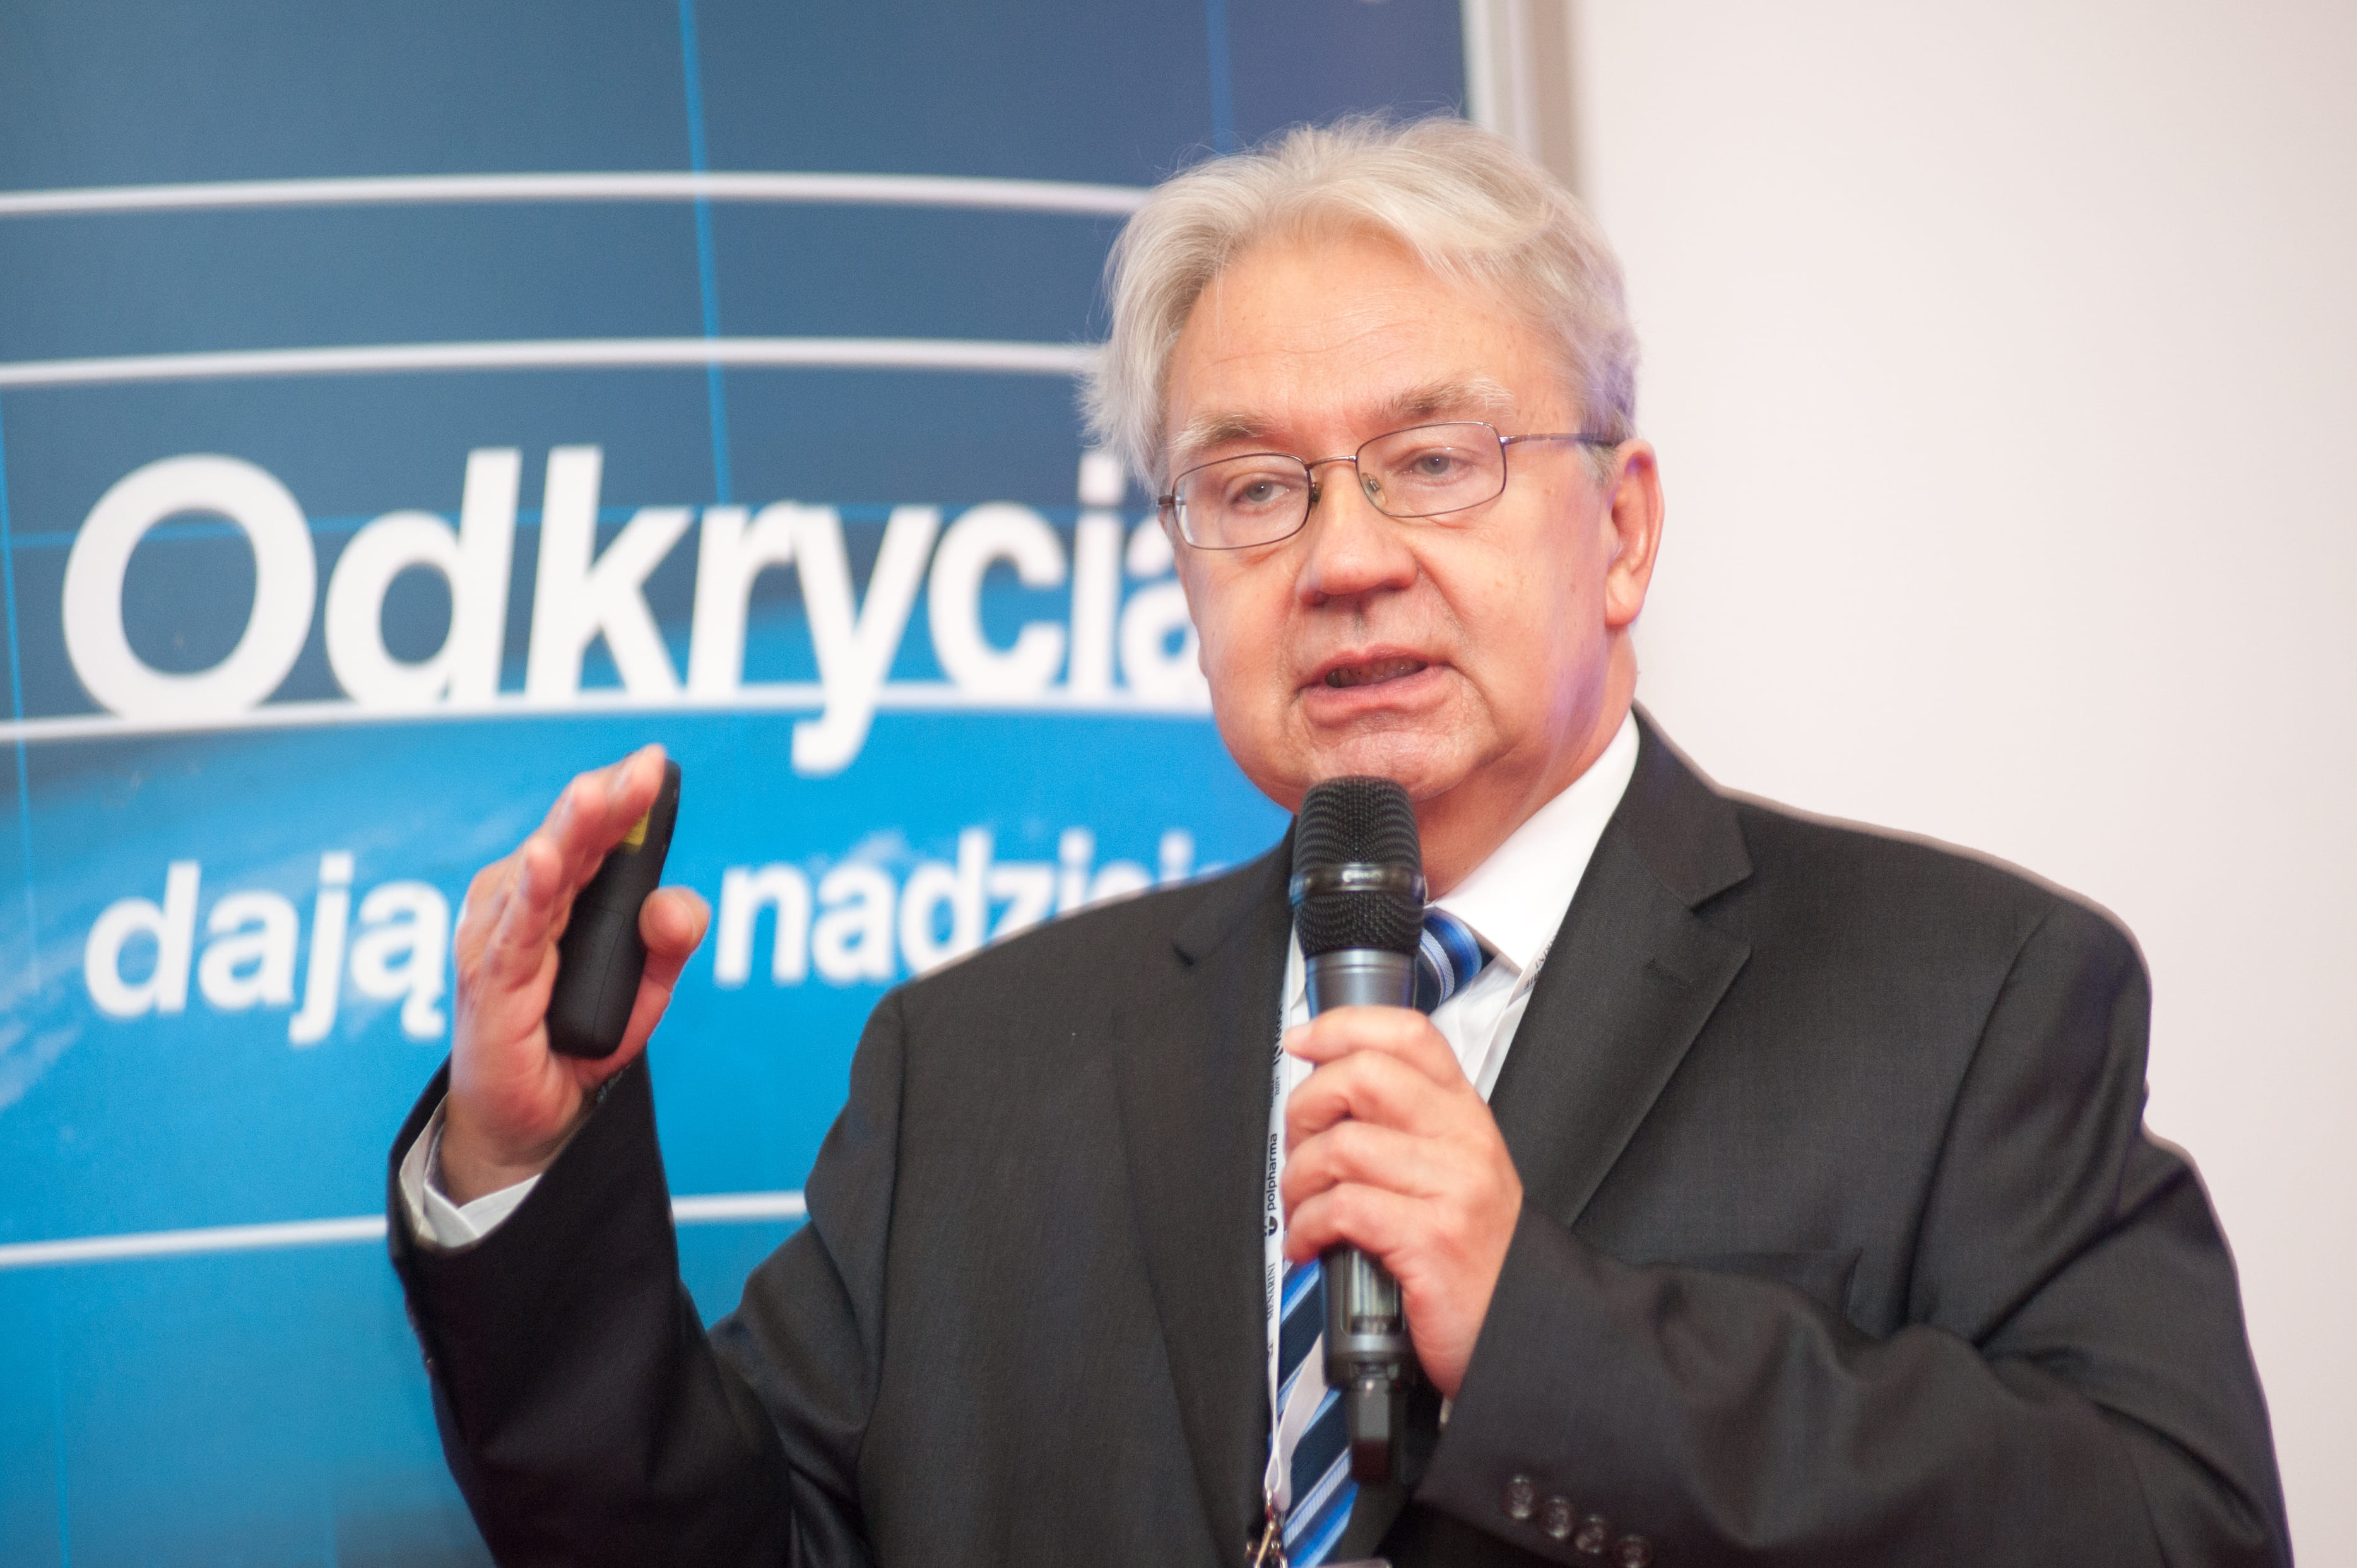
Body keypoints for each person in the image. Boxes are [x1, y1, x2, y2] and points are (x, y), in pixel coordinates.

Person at [389, 116, 2288, 1566]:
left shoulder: (1964, 999)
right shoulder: (973, 1068)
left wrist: (1543, 1332)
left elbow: (2175, 1529)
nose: (1345, 558)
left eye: (1437, 462)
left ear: (1623, 530)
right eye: (1254, 489)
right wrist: (515, 1162)